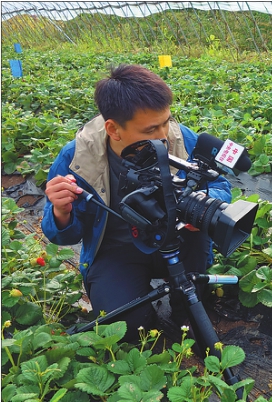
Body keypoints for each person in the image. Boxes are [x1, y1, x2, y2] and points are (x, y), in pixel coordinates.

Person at [42, 64, 232, 341]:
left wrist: (204, 202)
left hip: (178, 240)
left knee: (193, 291)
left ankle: (185, 309)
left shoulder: (181, 138)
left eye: (166, 121)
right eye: (150, 129)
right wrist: (61, 211)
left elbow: (220, 185)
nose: (163, 135)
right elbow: (63, 235)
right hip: (118, 250)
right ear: (113, 129)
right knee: (127, 329)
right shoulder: (77, 158)